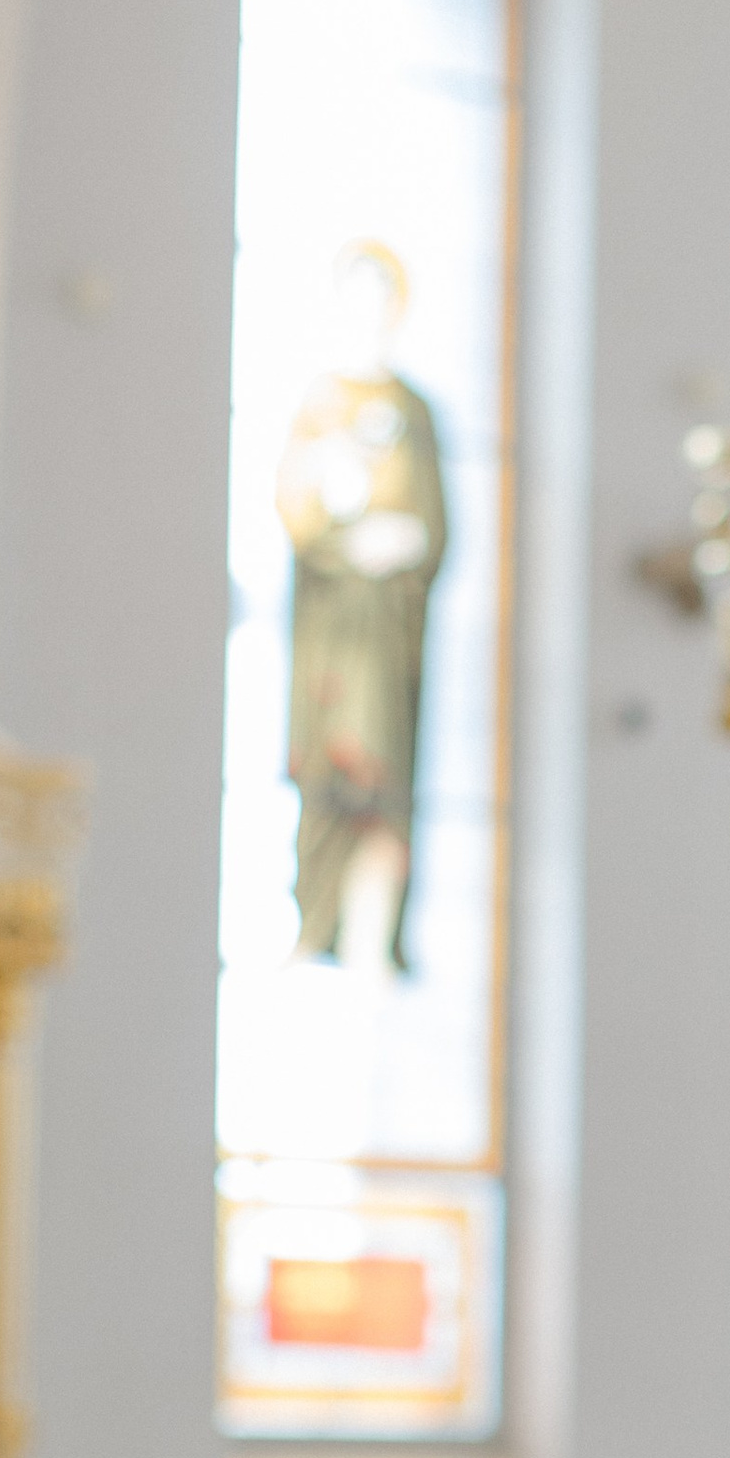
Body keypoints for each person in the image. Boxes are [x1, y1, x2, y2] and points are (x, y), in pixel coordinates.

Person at [280, 238, 449, 972]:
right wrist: (346, 540)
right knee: (330, 775)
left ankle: (379, 936)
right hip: (332, 626)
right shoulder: (321, 404)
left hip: (390, 629)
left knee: (384, 773)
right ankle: (317, 924)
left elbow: (435, 524)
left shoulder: (414, 410)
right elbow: (296, 507)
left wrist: (402, 544)